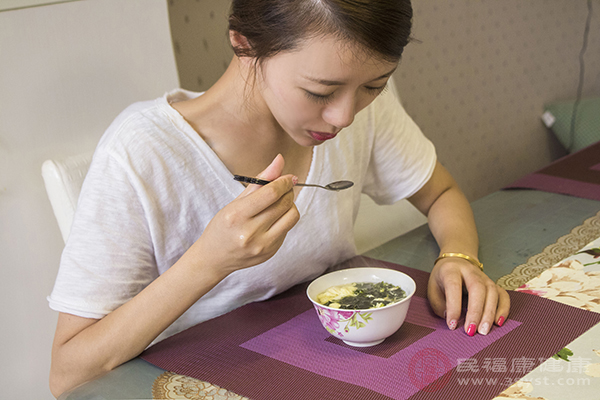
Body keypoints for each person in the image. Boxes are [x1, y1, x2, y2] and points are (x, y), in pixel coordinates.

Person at [48, 0, 510, 396]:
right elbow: (68, 374)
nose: (344, 115)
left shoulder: (355, 102)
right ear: (244, 44)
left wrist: (457, 257)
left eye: (374, 86)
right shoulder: (142, 152)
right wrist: (209, 261)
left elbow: (441, 193)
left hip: (333, 366)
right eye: (318, 91)